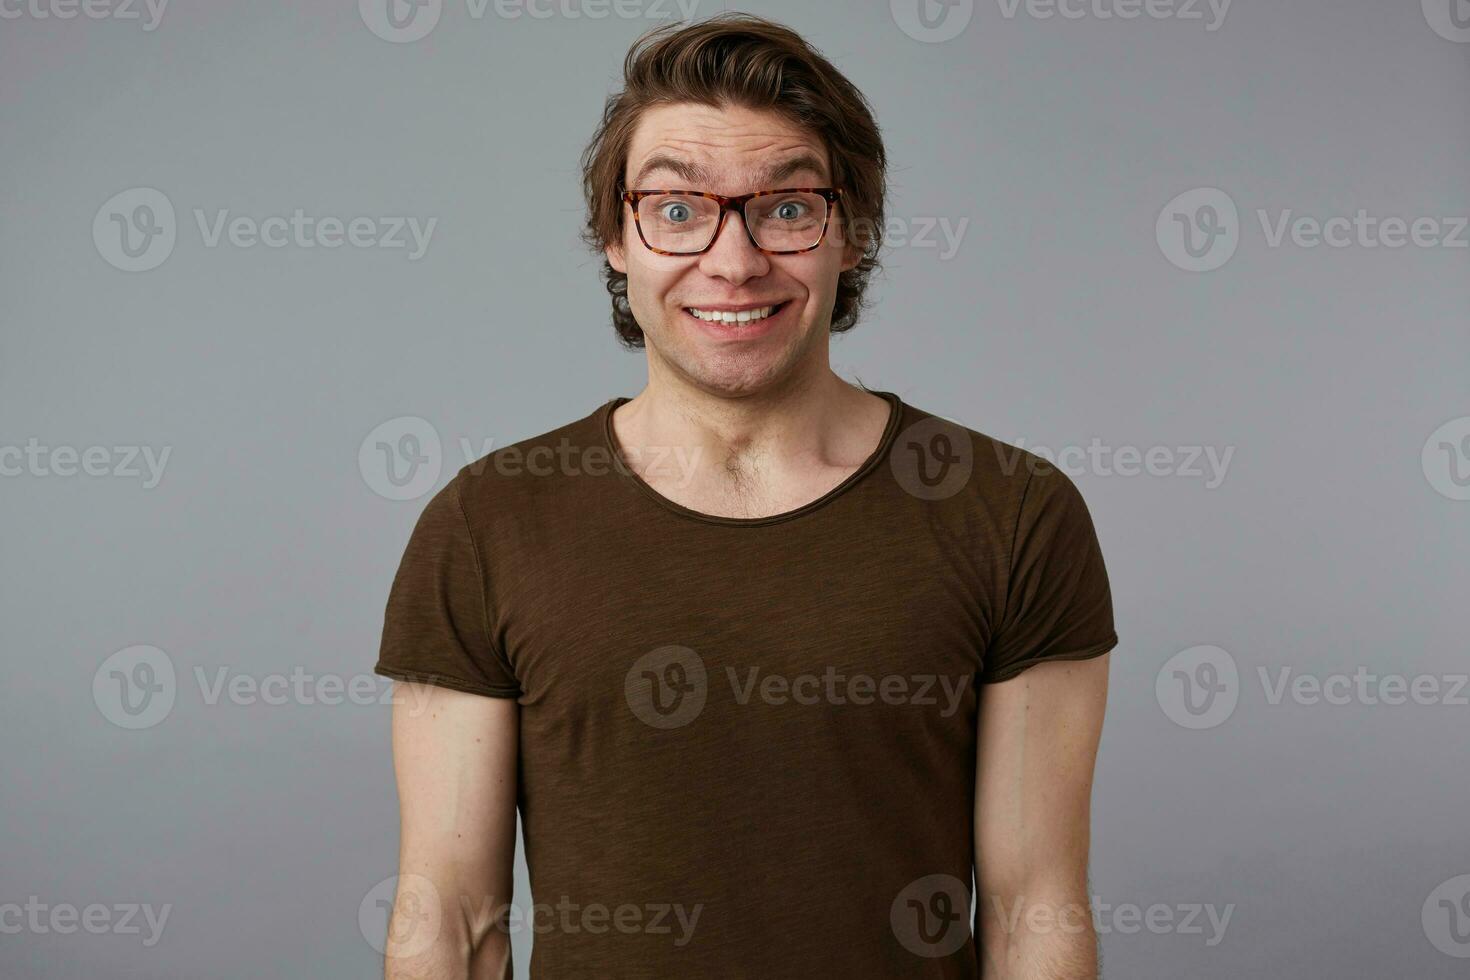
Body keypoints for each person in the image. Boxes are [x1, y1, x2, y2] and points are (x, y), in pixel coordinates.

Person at [375, 13, 1117, 978]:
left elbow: (1035, 915)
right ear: (615, 236)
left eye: (787, 206)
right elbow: (452, 923)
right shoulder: (486, 525)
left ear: (850, 234)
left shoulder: (1013, 514)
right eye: (678, 209)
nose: (733, 260)